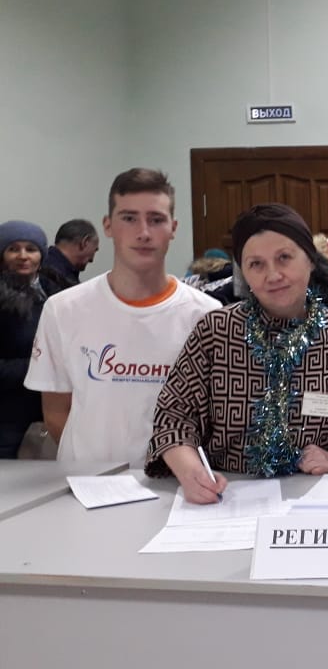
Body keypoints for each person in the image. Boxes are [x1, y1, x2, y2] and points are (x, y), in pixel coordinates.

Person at [146, 204, 328, 503]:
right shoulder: (216, 331)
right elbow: (173, 417)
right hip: (229, 497)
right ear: (244, 273)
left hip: (319, 497)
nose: (273, 275)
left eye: (284, 258)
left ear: (310, 260)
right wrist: (190, 471)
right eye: (256, 264)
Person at [24, 168, 219, 465]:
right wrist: (94, 472)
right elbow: (55, 411)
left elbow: (212, 416)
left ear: (173, 227)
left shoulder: (207, 315)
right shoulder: (63, 309)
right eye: (129, 218)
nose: (143, 232)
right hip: (86, 483)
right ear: (108, 225)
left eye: (156, 220)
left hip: (174, 484)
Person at [0, 221, 50, 458]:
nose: (23, 256)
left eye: (31, 249)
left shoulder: (55, 293)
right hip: (7, 422)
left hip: (46, 415)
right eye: (13, 249)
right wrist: (38, 366)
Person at [39, 219, 99, 294]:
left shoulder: (39, 266)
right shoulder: (58, 280)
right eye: (95, 250)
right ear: (85, 242)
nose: (92, 260)